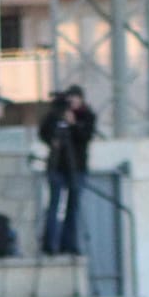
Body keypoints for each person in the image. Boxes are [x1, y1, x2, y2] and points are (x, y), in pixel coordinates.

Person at [38, 84, 97, 256]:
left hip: (76, 167)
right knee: (54, 205)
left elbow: (85, 136)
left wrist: (74, 124)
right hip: (58, 166)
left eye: (75, 98)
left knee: (73, 206)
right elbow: (44, 132)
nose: (72, 102)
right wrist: (53, 138)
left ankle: (69, 243)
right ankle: (50, 244)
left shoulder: (87, 115)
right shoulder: (56, 115)